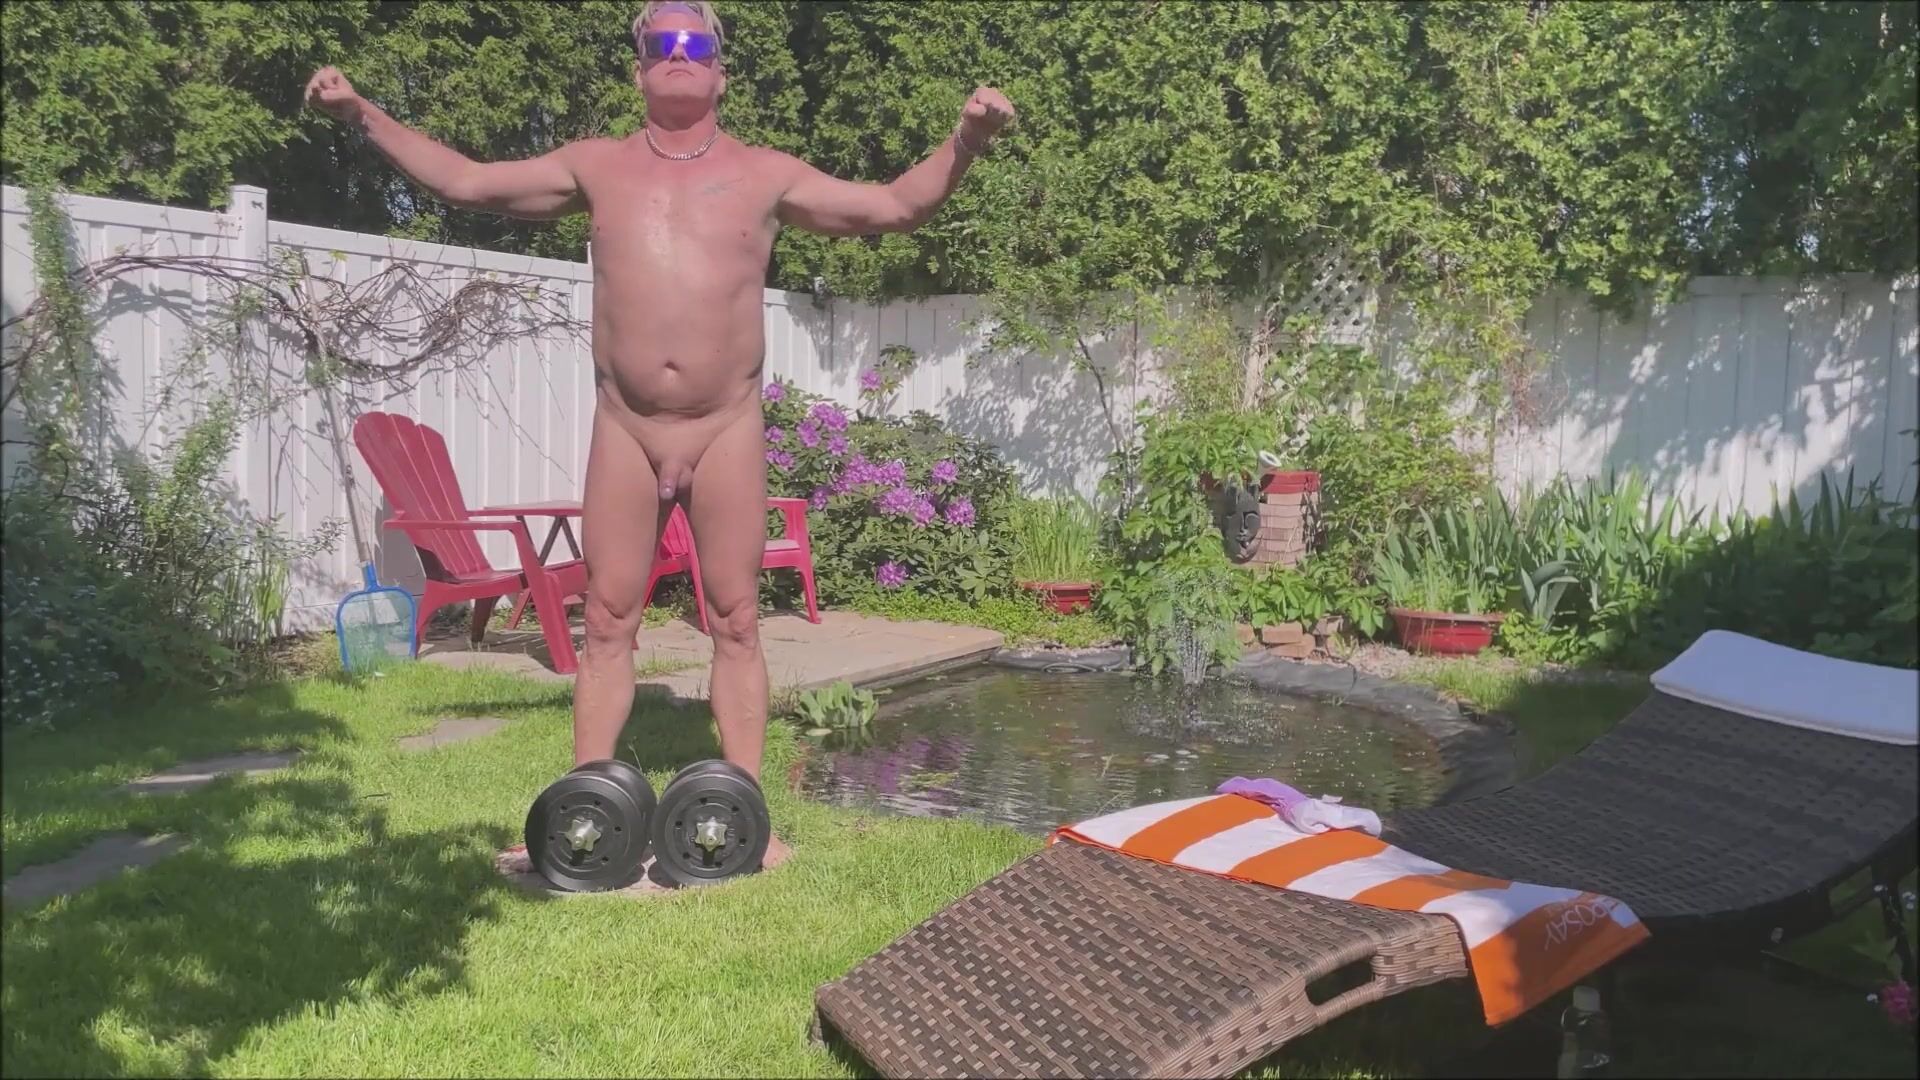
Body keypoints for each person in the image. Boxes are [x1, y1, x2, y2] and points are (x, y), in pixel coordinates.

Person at [306, 0, 1013, 871]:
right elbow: (465, 181)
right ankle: (585, 812)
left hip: (725, 427)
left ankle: (749, 821)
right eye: (662, 42)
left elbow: (896, 206)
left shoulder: (764, 174)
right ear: (639, 67)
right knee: (607, 620)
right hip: (626, 427)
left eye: (696, 41)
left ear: (721, 70)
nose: (680, 52)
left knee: (737, 618)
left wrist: (968, 141)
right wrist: (361, 113)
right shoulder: (596, 166)